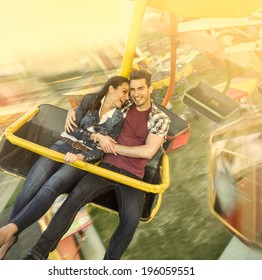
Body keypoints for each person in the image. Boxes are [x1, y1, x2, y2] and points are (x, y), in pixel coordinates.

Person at [0, 75, 130, 259]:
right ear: (111, 88)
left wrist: (83, 156)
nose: (126, 97)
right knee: (32, 183)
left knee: (52, 186)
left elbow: (103, 151)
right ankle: (8, 238)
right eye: (124, 92)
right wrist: (97, 137)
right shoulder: (90, 100)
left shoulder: (118, 119)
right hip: (62, 145)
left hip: (80, 159)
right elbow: (72, 130)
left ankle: (6, 234)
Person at [23, 69, 171, 260]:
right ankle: (37, 254)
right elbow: (96, 106)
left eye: (141, 88)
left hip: (133, 176)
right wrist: (73, 112)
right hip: (107, 167)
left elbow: (148, 151)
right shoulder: (124, 107)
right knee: (73, 200)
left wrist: (113, 147)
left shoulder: (159, 118)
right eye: (132, 90)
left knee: (129, 223)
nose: (136, 94)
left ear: (150, 88)